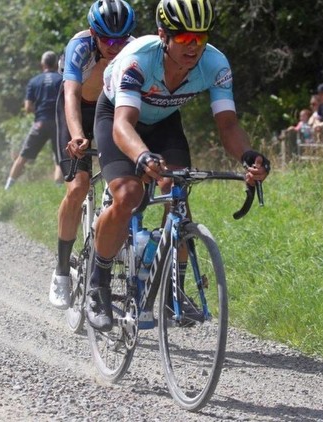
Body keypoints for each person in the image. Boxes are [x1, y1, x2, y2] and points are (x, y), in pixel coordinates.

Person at [83, 0, 270, 331]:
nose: (194, 47)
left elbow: (227, 125)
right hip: (118, 117)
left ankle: (174, 291)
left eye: (201, 38)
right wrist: (141, 157)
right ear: (163, 36)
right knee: (128, 195)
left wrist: (248, 156)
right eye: (184, 39)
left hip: (165, 122)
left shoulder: (215, 64)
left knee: (178, 193)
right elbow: (123, 126)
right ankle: (98, 284)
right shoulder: (137, 61)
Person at [49, 0, 137, 310]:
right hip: (77, 114)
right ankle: (61, 270)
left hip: (110, 114)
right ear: (93, 33)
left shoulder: (134, 49)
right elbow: (71, 95)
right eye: (108, 40)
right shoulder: (79, 46)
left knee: (127, 190)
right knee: (78, 187)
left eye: (121, 40)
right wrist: (75, 135)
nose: (115, 47)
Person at [4, 51, 63, 190]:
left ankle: (8, 187)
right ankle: (59, 188)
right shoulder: (61, 80)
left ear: (42, 64)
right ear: (56, 64)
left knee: (23, 157)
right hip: (57, 123)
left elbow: (28, 107)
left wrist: (39, 112)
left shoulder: (34, 81)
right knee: (59, 159)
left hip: (40, 123)